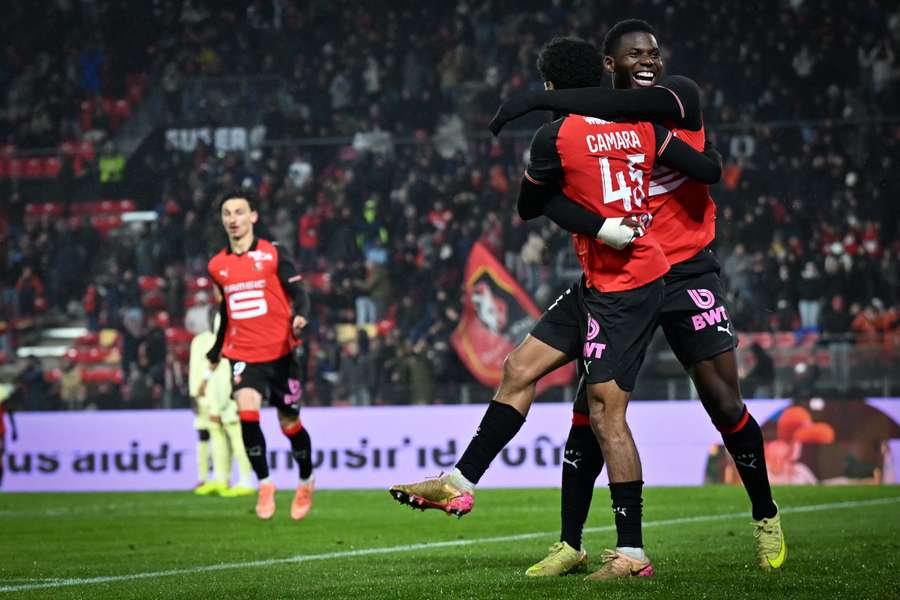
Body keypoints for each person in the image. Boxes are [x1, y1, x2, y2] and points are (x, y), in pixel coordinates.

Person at [390, 35, 722, 581]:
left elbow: (528, 206)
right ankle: (459, 481)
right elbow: (702, 169)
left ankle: (633, 554)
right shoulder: (645, 127)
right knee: (519, 367)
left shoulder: (556, 136)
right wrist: (708, 161)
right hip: (606, 277)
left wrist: (591, 220)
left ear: (550, 87)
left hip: (631, 286)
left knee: (605, 413)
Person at [490, 19, 784, 575]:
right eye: (634, 55)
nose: (648, 61)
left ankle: (765, 512)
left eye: (653, 52)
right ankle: (570, 542)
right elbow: (546, 195)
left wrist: (533, 101)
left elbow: (707, 167)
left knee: (722, 402)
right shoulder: (598, 125)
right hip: (625, 275)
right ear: (610, 64)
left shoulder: (678, 96)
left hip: (688, 271)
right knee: (592, 407)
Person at [206, 188, 314, 520]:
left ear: (253, 216)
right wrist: (216, 347)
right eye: (227, 213)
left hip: (281, 353)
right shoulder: (217, 265)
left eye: (239, 212)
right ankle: (265, 483)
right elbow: (226, 308)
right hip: (244, 353)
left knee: (289, 423)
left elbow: (299, 291)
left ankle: (306, 480)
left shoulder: (273, 254)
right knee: (247, 411)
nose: (233, 219)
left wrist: (301, 315)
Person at [190, 310, 254, 497]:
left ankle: (246, 480)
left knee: (238, 436)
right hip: (214, 395)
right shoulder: (206, 342)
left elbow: (226, 373)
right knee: (217, 436)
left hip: (229, 394)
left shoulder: (231, 349)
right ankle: (221, 479)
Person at [0, 382, 18, 488]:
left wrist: (14, 430)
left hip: (1, 432)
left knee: (1, 459)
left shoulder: (3, 404)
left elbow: (10, 412)